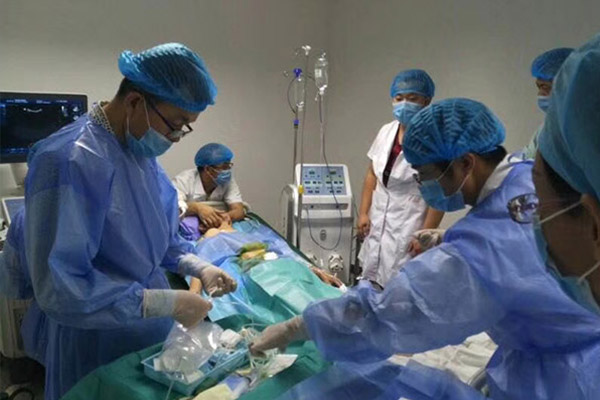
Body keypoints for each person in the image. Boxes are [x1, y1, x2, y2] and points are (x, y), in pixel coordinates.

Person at [250, 98, 600, 399]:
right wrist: (448, 237)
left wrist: (299, 326)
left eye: (426, 175)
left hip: (565, 380)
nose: (424, 186)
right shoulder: (525, 175)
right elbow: (518, 244)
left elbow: (389, 314)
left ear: (466, 163)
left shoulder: (479, 248)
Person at [0, 43, 237, 400]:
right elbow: (62, 289)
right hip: (91, 339)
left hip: (144, 330)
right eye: (176, 125)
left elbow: (159, 237)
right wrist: (162, 303)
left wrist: (197, 266)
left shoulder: (137, 153)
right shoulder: (67, 160)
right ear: (136, 102)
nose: (176, 137)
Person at [356, 69, 444, 287]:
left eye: (412, 99)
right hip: (378, 220)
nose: (404, 104)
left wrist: (424, 236)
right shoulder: (386, 131)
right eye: (399, 98)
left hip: (409, 224)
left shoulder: (434, 140)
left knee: (401, 286)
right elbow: (372, 173)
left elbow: (440, 194)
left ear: (426, 101)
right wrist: (363, 212)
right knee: (371, 279)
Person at [173, 143, 245, 230]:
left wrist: (221, 218)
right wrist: (197, 208)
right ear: (207, 169)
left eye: (229, 166)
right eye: (224, 167)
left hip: (221, 224)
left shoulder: (228, 181)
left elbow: (238, 210)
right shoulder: (183, 180)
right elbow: (174, 208)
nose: (227, 171)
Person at [522, 47, 573, 159]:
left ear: (566, 85)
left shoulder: (588, 130)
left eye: (544, 86)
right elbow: (527, 161)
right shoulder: (546, 130)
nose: (540, 93)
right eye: (539, 87)